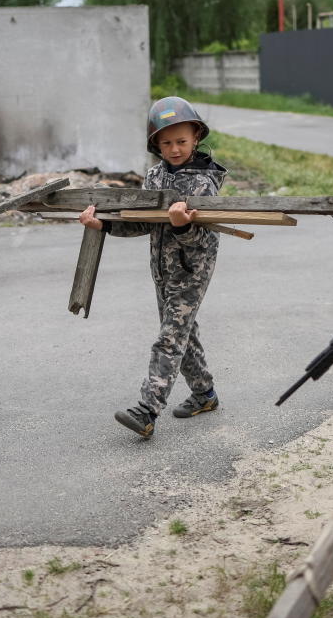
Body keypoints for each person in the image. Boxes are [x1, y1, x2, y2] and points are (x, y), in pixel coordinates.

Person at [79, 96, 227, 439]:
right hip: (161, 270)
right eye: (166, 143)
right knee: (181, 332)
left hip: (191, 269)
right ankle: (204, 393)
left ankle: (147, 410)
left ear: (196, 137)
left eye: (181, 141)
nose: (174, 149)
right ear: (155, 145)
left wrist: (181, 225)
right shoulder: (155, 175)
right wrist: (105, 225)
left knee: (169, 337)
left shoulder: (204, 183)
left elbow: (201, 239)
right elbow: (144, 222)